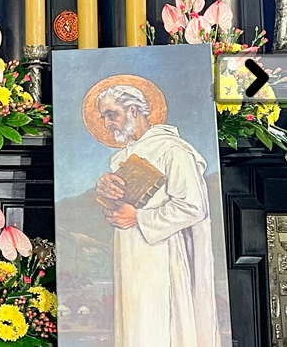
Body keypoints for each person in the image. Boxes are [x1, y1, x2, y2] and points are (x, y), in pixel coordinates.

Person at [93, 84, 221, 347]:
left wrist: (139, 218)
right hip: (130, 255)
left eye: (111, 114)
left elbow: (193, 207)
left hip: (161, 256)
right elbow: (122, 208)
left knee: (156, 328)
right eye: (103, 116)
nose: (106, 123)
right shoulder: (123, 156)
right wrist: (106, 193)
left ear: (133, 110)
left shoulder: (173, 150)